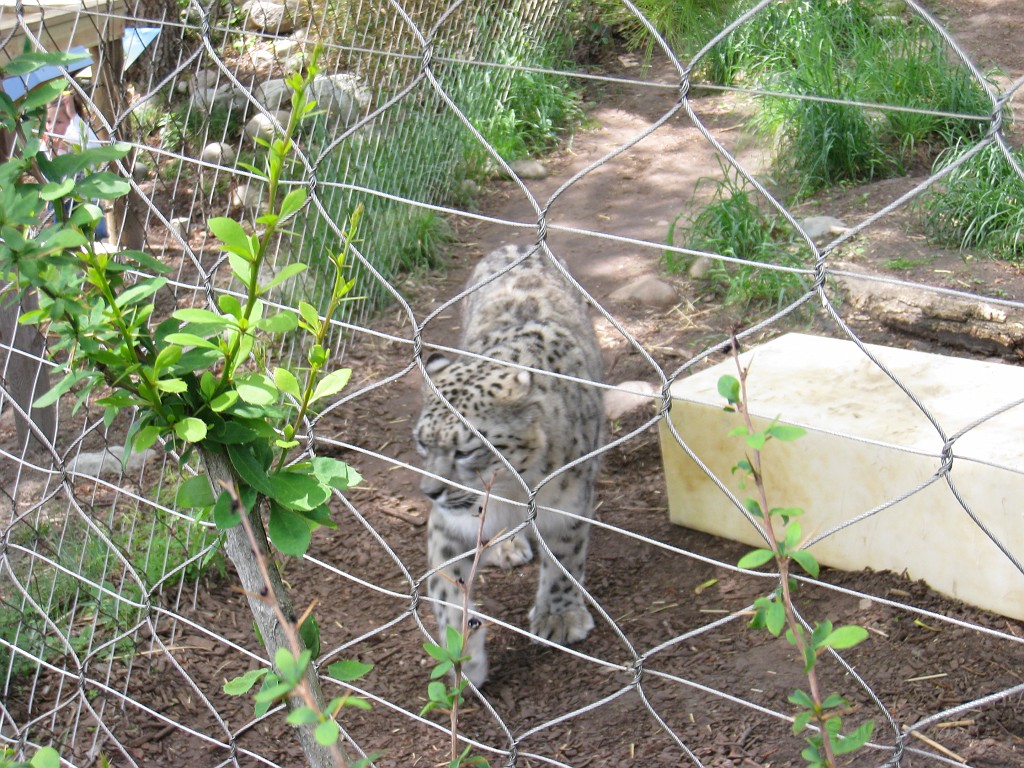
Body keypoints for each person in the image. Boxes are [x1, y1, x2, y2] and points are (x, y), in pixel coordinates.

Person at [44, 90, 109, 240]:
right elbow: (47, 178)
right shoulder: (46, 146)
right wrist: (53, 153)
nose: (52, 128)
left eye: (58, 122)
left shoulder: (77, 139)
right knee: (64, 238)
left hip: (85, 201)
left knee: (97, 233)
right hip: (61, 204)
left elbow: (92, 145)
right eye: (48, 121)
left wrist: (74, 116)